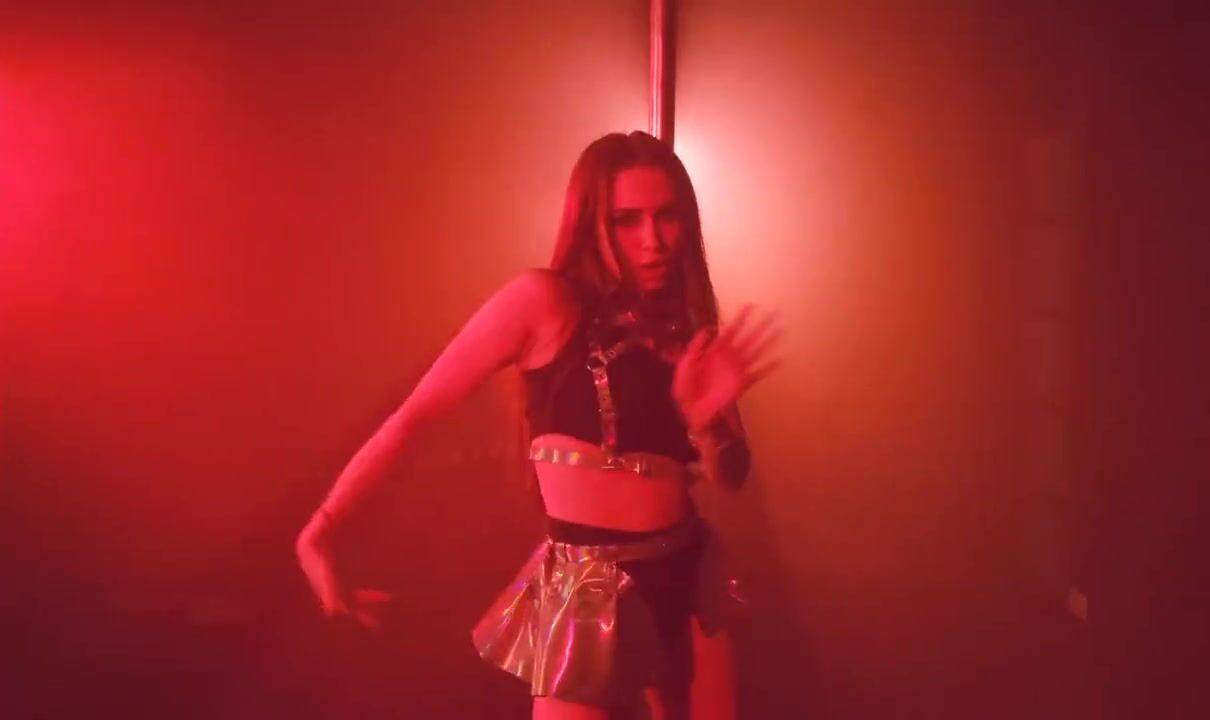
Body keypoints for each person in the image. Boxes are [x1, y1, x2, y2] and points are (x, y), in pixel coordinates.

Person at [296, 131, 779, 719]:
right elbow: (413, 418)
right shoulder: (544, 302)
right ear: (590, 221)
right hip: (585, 586)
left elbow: (731, 475)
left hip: (686, 569)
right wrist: (319, 531)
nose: (653, 240)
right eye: (627, 220)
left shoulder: (685, 321)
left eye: (667, 216)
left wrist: (707, 426)